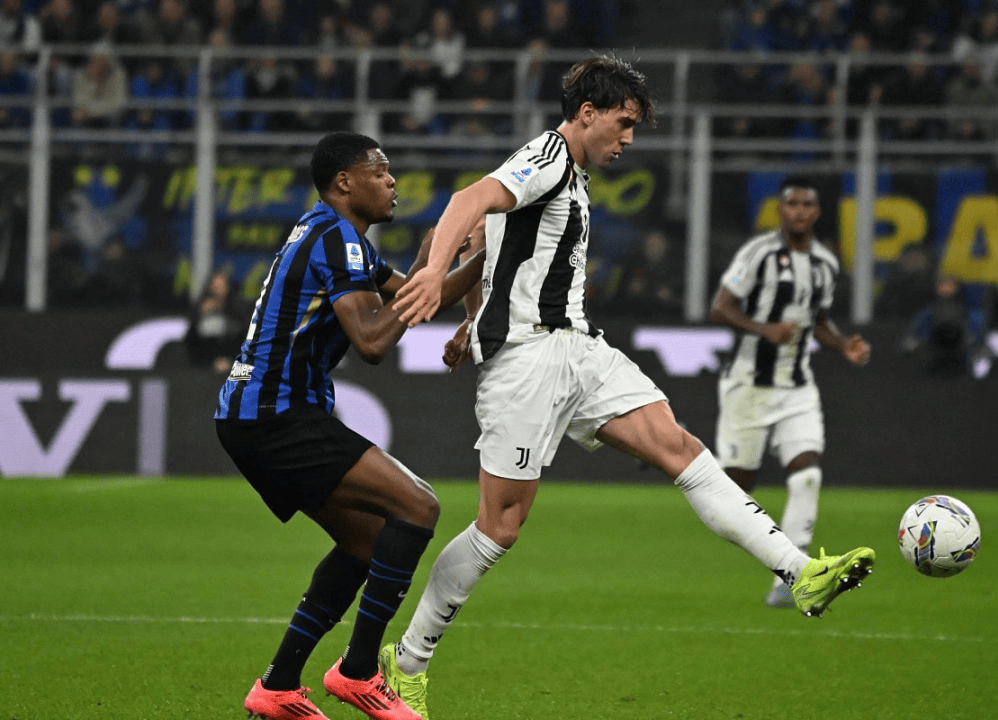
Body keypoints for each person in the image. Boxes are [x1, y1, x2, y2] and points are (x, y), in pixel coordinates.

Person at [381, 55, 876, 719]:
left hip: (582, 351)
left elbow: (494, 248)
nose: (629, 138)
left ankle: (799, 571)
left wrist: (471, 316)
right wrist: (431, 275)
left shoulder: (571, 176)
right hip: (528, 363)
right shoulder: (548, 155)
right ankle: (408, 660)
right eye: (624, 122)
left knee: (680, 448)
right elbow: (468, 203)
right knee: (500, 527)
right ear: (587, 113)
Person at [214, 131, 486, 720]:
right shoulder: (336, 239)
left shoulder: (336, 236)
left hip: (259, 413)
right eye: (380, 171)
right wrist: (479, 262)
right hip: (275, 412)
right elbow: (372, 342)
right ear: (345, 182)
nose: (392, 182)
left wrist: (456, 255)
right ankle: (358, 672)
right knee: (417, 507)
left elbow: (419, 295)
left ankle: (277, 687)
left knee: (366, 543)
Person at [708, 174, 872, 609]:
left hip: (798, 387)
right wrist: (763, 329)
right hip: (749, 386)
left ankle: (793, 577)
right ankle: (688, 457)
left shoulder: (826, 263)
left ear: (816, 212)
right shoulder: (758, 253)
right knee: (733, 493)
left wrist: (843, 345)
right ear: (781, 210)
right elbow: (720, 307)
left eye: (807, 204)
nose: (799, 211)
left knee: (807, 475)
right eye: (792, 204)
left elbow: (818, 321)